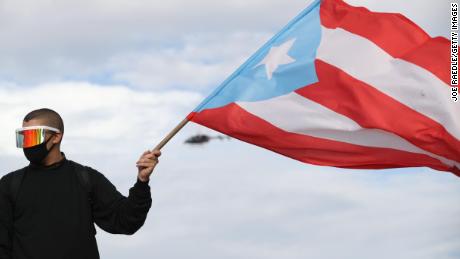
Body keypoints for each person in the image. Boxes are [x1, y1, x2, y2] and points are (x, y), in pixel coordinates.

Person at [0, 108, 161, 259]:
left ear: (57, 136)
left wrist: (142, 181)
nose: (28, 144)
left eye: (33, 136)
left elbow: (125, 221)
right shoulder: (9, 185)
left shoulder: (87, 178)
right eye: (23, 138)